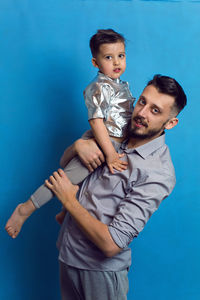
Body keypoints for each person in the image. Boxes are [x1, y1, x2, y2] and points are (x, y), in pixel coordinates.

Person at [44, 74, 186, 300]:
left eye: (155, 111)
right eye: (142, 102)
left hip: (100, 273)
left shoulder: (158, 173)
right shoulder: (116, 126)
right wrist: (78, 146)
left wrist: (69, 201)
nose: (141, 113)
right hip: (68, 255)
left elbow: (112, 245)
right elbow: (66, 165)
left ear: (170, 123)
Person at [5, 29, 135, 238]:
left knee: (90, 182)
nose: (116, 62)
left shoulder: (121, 85)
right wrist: (109, 152)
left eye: (120, 56)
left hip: (114, 143)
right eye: (108, 57)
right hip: (103, 142)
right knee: (65, 179)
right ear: (96, 63)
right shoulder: (99, 87)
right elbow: (96, 121)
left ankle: (64, 211)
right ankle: (25, 209)